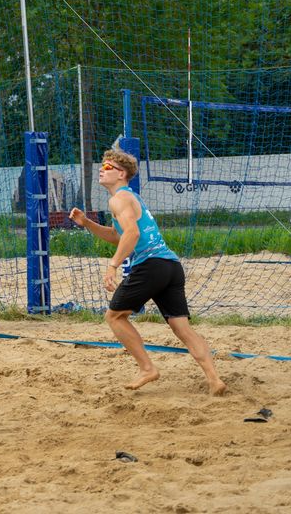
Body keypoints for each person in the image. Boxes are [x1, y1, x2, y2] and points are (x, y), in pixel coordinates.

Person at [68, 148, 226, 396]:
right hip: (170, 266)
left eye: (107, 167)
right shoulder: (129, 198)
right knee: (181, 328)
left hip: (151, 265)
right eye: (102, 165)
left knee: (114, 317)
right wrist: (87, 223)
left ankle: (147, 368)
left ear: (121, 174)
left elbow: (133, 234)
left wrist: (112, 266)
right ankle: (214, 379)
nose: (101, 169)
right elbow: (117, 235)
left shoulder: (119, 198)